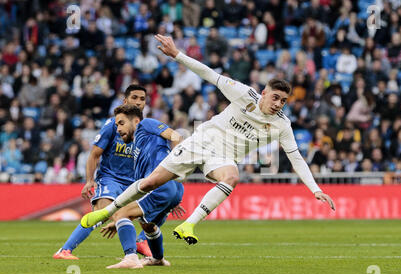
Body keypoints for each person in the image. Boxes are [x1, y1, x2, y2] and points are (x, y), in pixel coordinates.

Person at [81, 35, 335, 246]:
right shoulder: (244, 93)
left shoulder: (282, 124)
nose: (278, 104)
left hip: (222, 157)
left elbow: (296, 158)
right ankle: (107, 211)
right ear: (265, 93)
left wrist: (316, 189)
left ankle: (189, 225)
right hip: (201, 141)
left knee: (232, 177)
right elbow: (210, 74)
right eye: (275, 97)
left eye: (283, 101)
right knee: (150, 183)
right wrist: (177, 54)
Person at [53, 85, 152, 260]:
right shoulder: (112, 125)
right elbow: (94, 155)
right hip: (111, 179)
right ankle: (64, 251)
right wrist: (89, 180)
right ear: (125, 101)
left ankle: (137, 247)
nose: (138, 102)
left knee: (158, 209)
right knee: (102, 214)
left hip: (134, 182)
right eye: (134, 97)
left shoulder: (146, 128)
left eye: (142, 99)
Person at [98, 104, 184, 269]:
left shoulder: (145, 125)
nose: (118, 129)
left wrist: (122, 217)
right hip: (172, 189)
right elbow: (138, 191)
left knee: (121, 213)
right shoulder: (139, 152)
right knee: (147, 225)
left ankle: (130, 258)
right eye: (116, 125)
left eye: (121, 123)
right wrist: (121, 221)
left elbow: (176, 136)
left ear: (135, 121)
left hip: (163, 184)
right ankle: (158, 259)